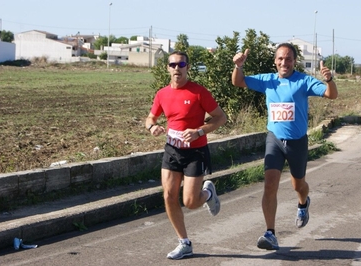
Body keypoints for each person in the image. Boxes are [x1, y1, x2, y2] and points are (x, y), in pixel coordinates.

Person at [232, 43, 338, 250]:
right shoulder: (267, 80)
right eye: (280, 58)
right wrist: (238, 66)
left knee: (298, 185)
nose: (284, 62)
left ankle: (303, 202)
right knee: (270, 184)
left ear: (294, 61)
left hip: (297, 142)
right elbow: (239, 82)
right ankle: (270, 233)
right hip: (274, 139)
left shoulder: (303, 81)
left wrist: (329, 79)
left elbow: (331, 94)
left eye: (288, 59)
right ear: (275, 61)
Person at [145, 51, 227, 260]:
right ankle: (184, 242)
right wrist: (152, 127)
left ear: (187, 67)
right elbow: (150, 118)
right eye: (172, 65)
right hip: (172, 150)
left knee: (190, 202)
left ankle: (208, 193)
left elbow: (220, 118)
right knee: (168, 195)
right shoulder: (162, 94)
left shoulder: (198, 92)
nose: (176, 68)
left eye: (181, 64)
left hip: (195, 152)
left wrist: (199, 131)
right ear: (167, 68)